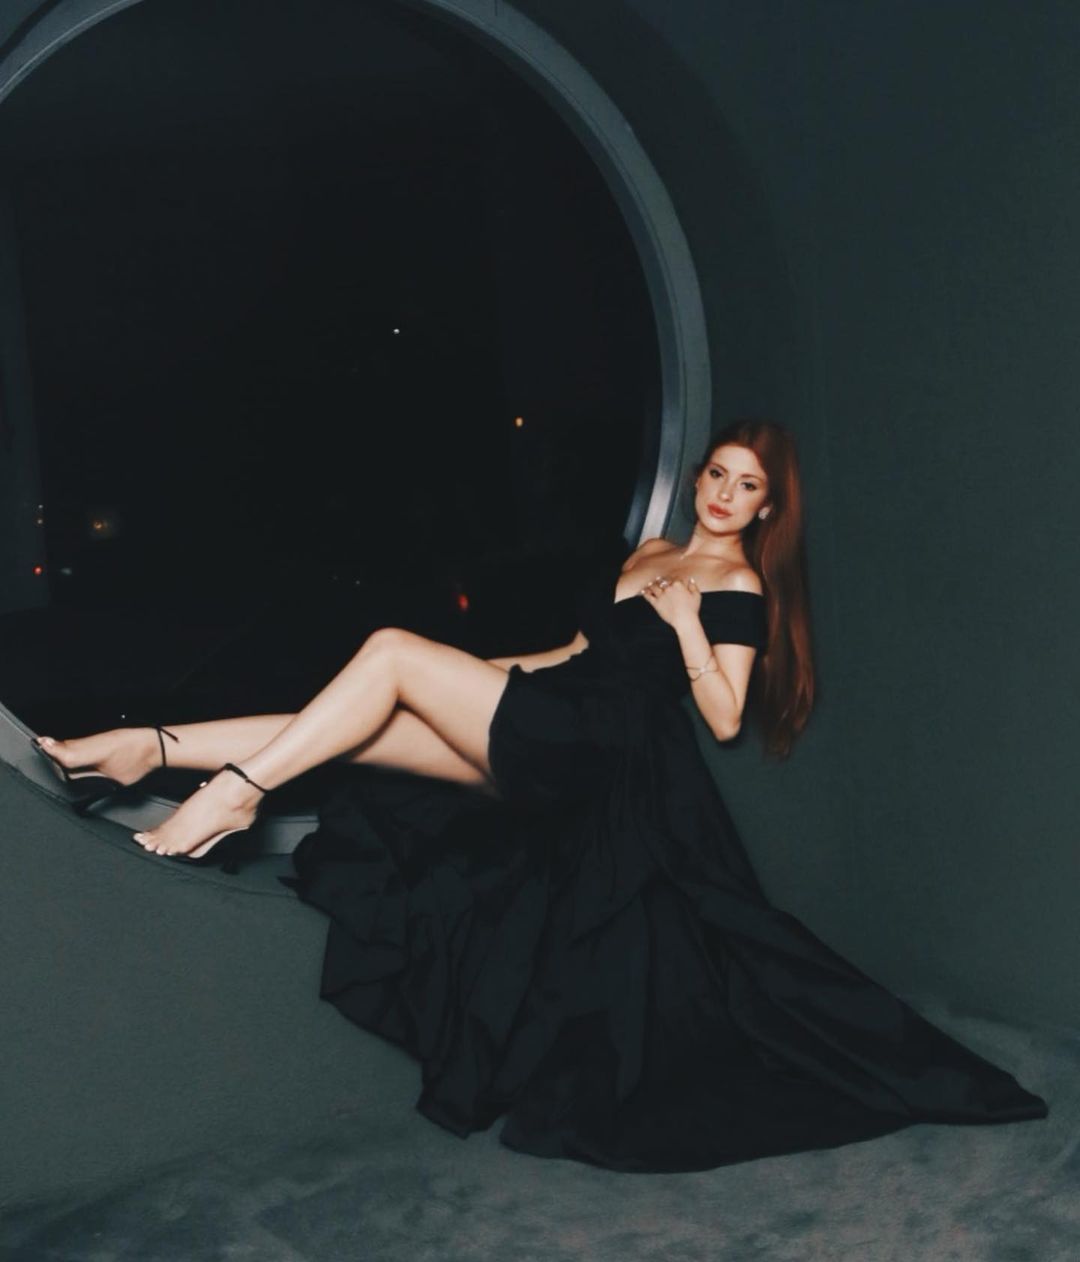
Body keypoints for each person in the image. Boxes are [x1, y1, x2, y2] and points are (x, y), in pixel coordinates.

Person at [33, 420, 1047, 1171]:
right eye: (718, 474)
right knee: (368, 714)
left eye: (749, 487)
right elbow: (569, 654)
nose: (725, 495)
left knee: (386, 652)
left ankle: (228, 796)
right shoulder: (650, 553)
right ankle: (142, 748)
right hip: (556, 712)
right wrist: (474, 677)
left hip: (605, 751)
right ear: (701, 475)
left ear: (769, 508)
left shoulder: (739, 587)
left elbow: (727, 715)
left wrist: (687, 626)